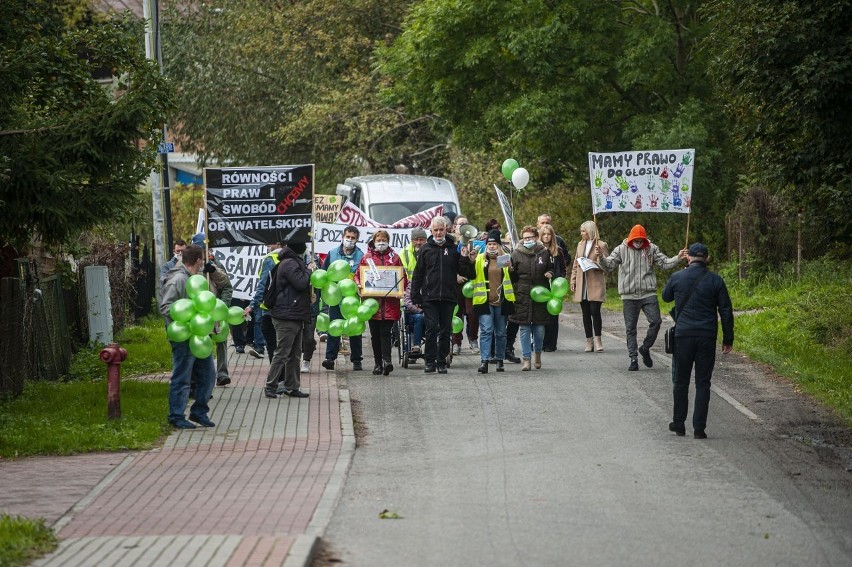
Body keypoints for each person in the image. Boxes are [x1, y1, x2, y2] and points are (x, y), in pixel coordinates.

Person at [662, 243, 734, 439]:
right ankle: (699, 428)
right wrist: (728, 339)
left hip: (683, 336)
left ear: (689, 257)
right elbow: (726, 311)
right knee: (703, 382)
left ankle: (678, 423)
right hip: (706, 337)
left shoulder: (678, 277)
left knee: (681, 381)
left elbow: (666, 296)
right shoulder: (715, 280)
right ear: (707, 258)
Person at [598, 224, 687, 371]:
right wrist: (600, 257)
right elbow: (608, 266)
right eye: (636, 240)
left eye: (641, 240)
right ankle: (633, 358)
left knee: (656, 321)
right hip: (629, 295)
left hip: (648, 293)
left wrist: (678, 257)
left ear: (644, 239)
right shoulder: (621, 249)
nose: (638, 243)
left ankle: (645, 347)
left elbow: (664, 264)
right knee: (630, 328)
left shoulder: (651, 248)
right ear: (631, 238)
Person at [158, 244, 215, 429]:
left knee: (208, 375)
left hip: (198, 337)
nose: (203, 262)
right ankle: (176, 415)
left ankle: (199, 412)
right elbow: (165, 307)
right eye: (202, 259)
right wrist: (187, 319)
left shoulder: (194, 279)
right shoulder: (179, 279)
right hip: (183, 337)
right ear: (198, 260)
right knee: (182, 376)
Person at [410, 216, 471, 373]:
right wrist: (415, 297)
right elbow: (418, 274)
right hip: (430, 297)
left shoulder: (453, 248)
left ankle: (441, 361)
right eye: (435, 230)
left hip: (449, 296)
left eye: (441, 229)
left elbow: (464, 271)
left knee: (445, 330)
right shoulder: (426, 249)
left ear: (446, 230)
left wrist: (465, 258)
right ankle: (429, 362)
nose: (438, 233)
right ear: (431, 231)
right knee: (431, 329)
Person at [264, 242, 312, 399]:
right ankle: (270, 385)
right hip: (286, 315)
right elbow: (301, 283)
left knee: (295, 354)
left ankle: (292, 386)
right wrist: (309, 271)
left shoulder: (292, 261)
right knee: (282, 353)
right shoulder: (290, 263)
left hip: (294, 314)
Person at [465, 229, 515, 373]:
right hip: (484, 301)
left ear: (499, 245)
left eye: (494, 244)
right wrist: (471, 261)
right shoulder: (480, 258)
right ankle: (484, 361)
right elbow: (471, 275)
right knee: (486, 331)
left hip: (501, 301)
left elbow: (512, 278)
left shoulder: (504, 258)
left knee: (500, 332)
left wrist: (511, 269)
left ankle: (499, 360)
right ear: (486, 245)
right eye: (490, 244)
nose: (492, 246)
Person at [356, 230, 404, 375]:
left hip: (389, 303)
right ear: (374, 241)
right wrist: (359, 285)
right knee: (375, 334)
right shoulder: (367, 258)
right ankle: (378, 364)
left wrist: (400, 289)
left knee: (385, 332)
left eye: (384, 240)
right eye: (379, 240)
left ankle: (387, 361)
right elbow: (358, 275)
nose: (381, 242)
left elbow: (402, 276)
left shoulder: (394, 258)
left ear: (388, 241)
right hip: (372, 304)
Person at [191, 232, 235, 387]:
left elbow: (227, 286)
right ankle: (204, 376)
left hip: (215, 310)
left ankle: (222, 373)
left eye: (206, 249)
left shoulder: (215, 265)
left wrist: (223, 306)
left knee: (221, 340)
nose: (205, 253)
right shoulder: (191, 267)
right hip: (198, 312)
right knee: (204, 343)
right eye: (201, 249)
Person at [321, 225, 365, 371]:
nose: (350, 240)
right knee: (334, 327)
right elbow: (323, 273)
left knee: (354, 328)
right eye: (348, 237)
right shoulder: (332, 253)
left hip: (352, 300)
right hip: (335, 298)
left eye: (353, 238)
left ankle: (357, 360)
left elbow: (364, 277)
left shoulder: (361, 256)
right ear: (343, 237)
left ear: (357, 239)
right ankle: (330, 358)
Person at [509, 226, 553, 371]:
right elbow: (512, 278)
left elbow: (553, 268)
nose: (528, 240)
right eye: (525, 238)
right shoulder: (516, 253)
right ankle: (526, 359)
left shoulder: (544, 253)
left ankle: (538, 355)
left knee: (539, 329)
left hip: (540, 293)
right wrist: (510, 270)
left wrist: (550, 272)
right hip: (522, 294)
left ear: (536, 237)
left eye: (530, 237)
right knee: (524, 328)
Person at [570, 221, 609, 353]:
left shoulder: (601, 245)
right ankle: (589, 340)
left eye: (584, 231)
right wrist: (573, 280)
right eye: (581, 231)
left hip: (595, 281)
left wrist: (599, 258)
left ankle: (598, 339)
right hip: (582, 282)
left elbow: (607, 265)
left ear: (591, 231)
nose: (582, 234)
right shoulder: (580, 244)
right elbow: (576, 263)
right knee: (585, 313)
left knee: (595, 311)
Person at [244, 240, 283, 357]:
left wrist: (252, 304)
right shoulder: (294, 257)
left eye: (271, 242)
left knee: (272, 346)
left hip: (270, 306)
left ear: (279, 243)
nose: (268, 245)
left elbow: (263, 285)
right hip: (288, 307)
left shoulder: (270, 259)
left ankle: (275, 373)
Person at [451, 215, 479, 355]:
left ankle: (473, 340)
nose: (463, 226)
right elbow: (448, 264)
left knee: (472, 313)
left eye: (466, 224)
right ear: (454, 227)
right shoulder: (451, 245)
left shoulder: (475, 245)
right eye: (460, 224)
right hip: (455, 285)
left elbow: (476, 270)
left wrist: (472, 261)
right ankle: (456, 342)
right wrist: (455, 275)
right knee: (457, 313)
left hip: (470, 284)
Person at [538, 223, 567, 351]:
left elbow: (563, 268)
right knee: (541, 316)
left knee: (553, 316)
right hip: (542, 287)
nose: (546, 236)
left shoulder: (558, 250)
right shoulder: (537, 250)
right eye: (544, 234)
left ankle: (551, 344)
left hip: (554, 287)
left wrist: (559, 279)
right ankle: (540, 343)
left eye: (549, 234)